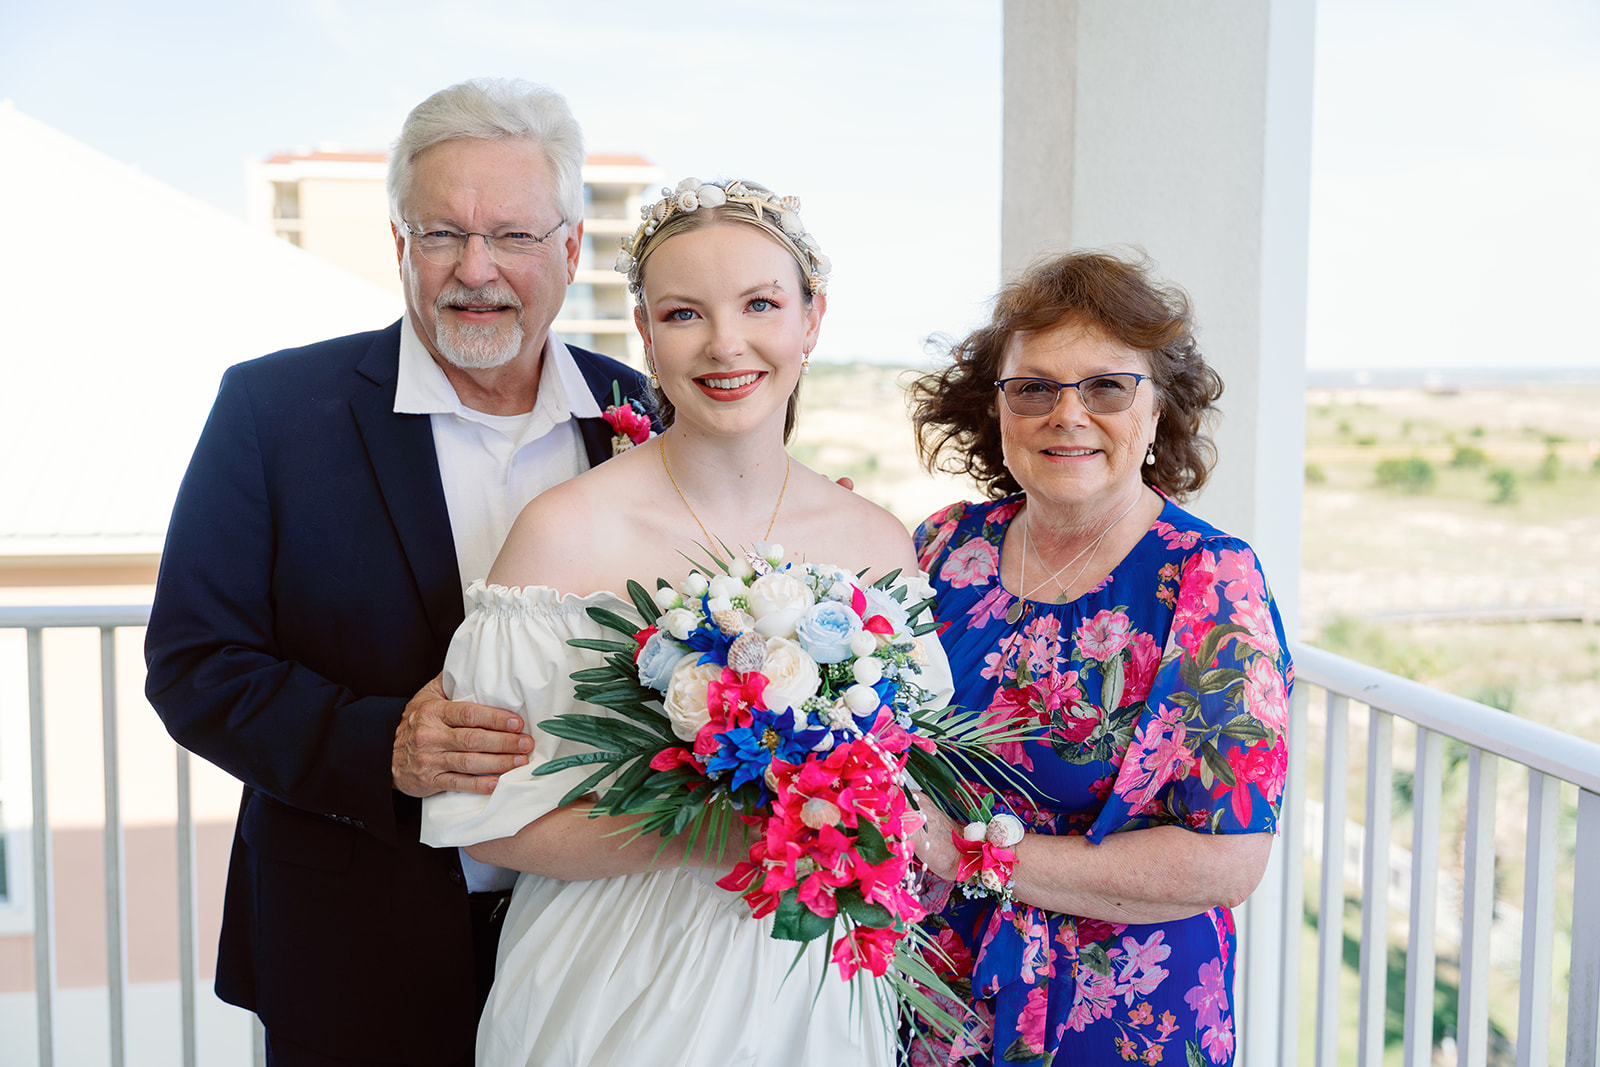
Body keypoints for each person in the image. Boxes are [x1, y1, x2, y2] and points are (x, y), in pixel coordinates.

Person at [144, 79, 651, 1066]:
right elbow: (195, 665)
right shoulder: (271, 411)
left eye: (511, 235)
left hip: (602, 942)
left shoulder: (643, 414)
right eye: (441, 234)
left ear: (569, 249)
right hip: (354, 946)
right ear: (399, 245)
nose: (475, 268)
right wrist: (383, 745)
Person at [420, 178, 948, 1066]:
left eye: (760, 304)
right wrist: (711, 828)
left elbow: (910, 779)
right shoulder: (563, 532)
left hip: (811, 986)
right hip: (613, 983)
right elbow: (487, 819)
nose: (725, 343)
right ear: (644, 331)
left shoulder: (878, 542)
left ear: (812, 320)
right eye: (683, 314)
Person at [903, 250, 1292, 1066]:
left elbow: (1226, 859)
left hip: (1122, 1021)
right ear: (996, 406)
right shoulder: (944, 546)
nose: (1068, 414)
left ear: (1157, 408)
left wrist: (967, 852)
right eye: (1034, 387)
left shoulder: (1210, 580)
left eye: (1107, 387)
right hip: (933, 1001)